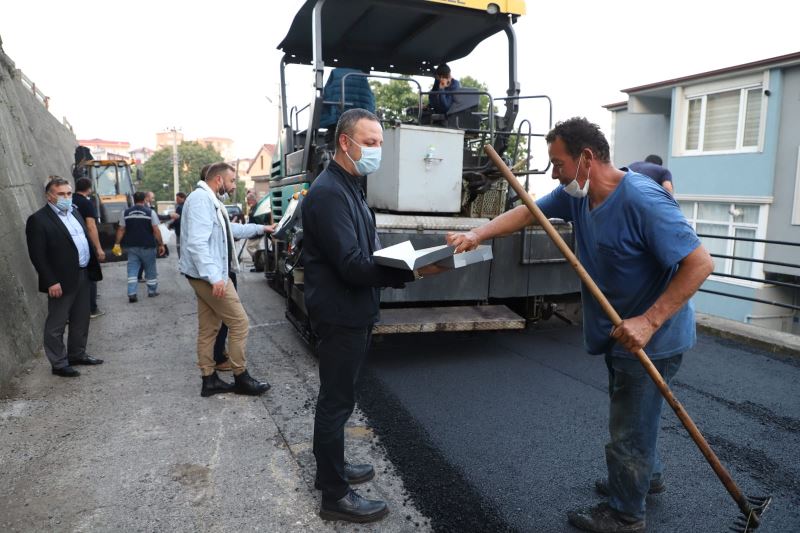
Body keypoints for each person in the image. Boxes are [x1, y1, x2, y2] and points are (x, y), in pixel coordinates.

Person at [446, 117, 713, 533]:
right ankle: (647, 476)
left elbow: (700, 263)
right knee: (637, 412)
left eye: (558, 163)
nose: (554, 174)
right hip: (618, 328)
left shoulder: (643, 201)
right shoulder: (577, 195)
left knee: (628, 424)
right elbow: (528, 210)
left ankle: (626, 512)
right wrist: (479, 233)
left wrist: (648, 321)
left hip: (653, 335)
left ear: (586, 159)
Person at [302, 108, 441, 523]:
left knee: (339, 398)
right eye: (373, 142)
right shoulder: (329, 192)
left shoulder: (351, 187)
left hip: (353, 309)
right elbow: (350, 264)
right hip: (341, 312)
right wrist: (408, 269)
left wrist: (402, 260)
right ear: (346, 143)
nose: (379, 150)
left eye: (381, 142)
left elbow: (366, 251)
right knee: (336, 401)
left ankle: (332, 468)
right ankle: (334, 495)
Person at [179, 161, 275, 397]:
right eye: (232, 181)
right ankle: (240, 377)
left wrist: (261, 229)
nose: (233, 187)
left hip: (204, 275)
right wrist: (215, 278)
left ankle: (209, 380)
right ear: (219, 180)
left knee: (209, 328)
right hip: (209, 276)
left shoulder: (210, 200)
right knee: (240, 323)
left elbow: (229, 231)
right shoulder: (202, 200)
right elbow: (197, 243)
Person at [25, 176, 104, 377]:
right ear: (49, 196)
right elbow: (37, 255)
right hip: (60, 280)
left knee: (81, 318)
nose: (66, 197)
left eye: (69, 193)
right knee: (57, 323)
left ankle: (77, 354)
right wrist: (51, 280)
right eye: (61, 194)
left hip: (83, 273)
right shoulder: (38, 220)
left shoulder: (75, 212)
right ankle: (59, 364)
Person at [114, 191, 166, 302]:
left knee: (132, 270)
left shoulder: (125, 213)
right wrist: (161, 244)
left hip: (132, 246)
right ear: (144, 200)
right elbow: (156, 230)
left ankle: (132, 293)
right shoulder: (150, 212)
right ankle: (152, 291)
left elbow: (121, 229)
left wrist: (117, 243)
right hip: (148, 246)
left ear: (133, 199)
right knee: (150, 269)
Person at [72, 177, 106, 317]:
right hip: (83, 243)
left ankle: (71, 312)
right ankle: (92, 309)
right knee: (91, 275)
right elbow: (91, 226)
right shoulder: (86, 203)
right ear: (89, 189)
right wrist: (98, 248)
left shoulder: (70, 200)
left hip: (67, 243)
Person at [319, 68, 376, 132]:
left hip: (338, 116)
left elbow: (328, 95)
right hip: (362, 118)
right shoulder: (362, 78)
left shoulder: (335, 74)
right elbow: (370, 101)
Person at [169, 192, 187, 259]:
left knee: (180, 248)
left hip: (180, 231)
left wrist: (170, 225)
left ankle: (181, 265)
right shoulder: (187, 206)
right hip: (186, 231)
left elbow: (177, 220)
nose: (176, 200)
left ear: (183, 198)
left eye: (178, 198)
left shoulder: (180, 208)